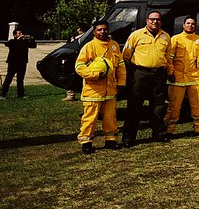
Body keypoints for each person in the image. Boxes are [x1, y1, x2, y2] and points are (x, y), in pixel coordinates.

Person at [74, 20, 126, 154]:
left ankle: (111, 140)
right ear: (94, 31)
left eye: (104, 29)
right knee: (90, 118)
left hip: (110, 89)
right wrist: (95, 75)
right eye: (99, 30)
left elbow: (120, 66)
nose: (102, 32)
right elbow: (79, 67)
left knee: (110, 117)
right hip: (93, 90)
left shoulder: (114, 46)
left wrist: (121, 83)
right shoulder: (89, 47)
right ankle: (86, 142)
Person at [122, 11, 173, 146]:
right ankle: (129, 137)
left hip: (159, 75)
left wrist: (169, 73)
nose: (155, 22)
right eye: (152, 19)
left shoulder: (166, 37)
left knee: (158, 106)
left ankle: (159, 134)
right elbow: (126, 55)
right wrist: (132, 72)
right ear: (147, 20)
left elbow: (168, 58)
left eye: (157, 19)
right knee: (135, 105)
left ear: (161, 21)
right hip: (140, 73)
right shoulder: (136, 35)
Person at [164, 16, 199, 137]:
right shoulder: (175, 39)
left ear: (195, 26)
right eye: (188, 23)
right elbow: (169, 58)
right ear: (183, 25)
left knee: (197, 105)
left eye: (192, 24)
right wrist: (170, 73)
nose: (190, 25)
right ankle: (168, 130)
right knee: (174, 106)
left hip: (195, 77)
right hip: (177, 78)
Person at [0, 29, 36, 100]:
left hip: (22, 63)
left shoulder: (25, 42)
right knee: (9, 78)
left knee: (20, 79)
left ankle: (21, 94)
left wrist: (32, 39)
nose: (21, 34)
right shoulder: (12, 42)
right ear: (15, 35)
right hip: (13, 63)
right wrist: (18, 40)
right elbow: (8, 44)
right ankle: (3, 94)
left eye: (21, 33)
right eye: (19, 33)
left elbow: (34, 46)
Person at [63, 22, 89, 101]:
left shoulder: (82, 38)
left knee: (74, 76)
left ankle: (71, 94)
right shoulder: (76, 38)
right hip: (75, 59)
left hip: (78, 59)